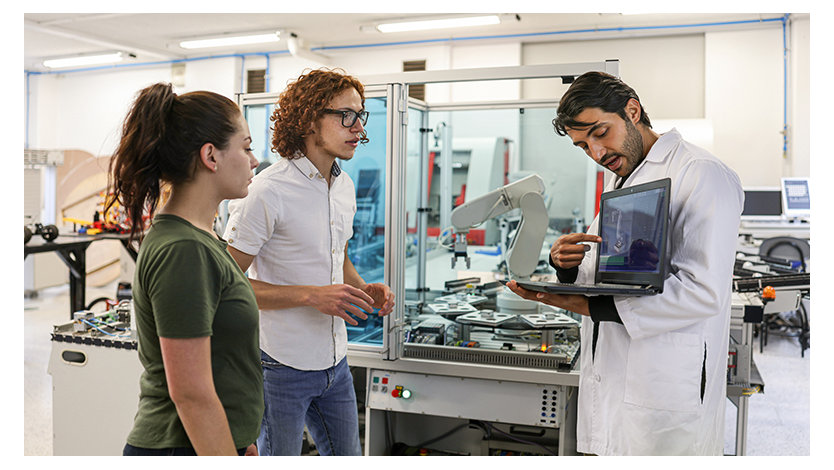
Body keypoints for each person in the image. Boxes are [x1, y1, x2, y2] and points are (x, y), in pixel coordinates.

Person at [507, 71, 743, 455]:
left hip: (666, 392)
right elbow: (606, 272)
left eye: (600, 133)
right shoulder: (625, 180)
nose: (597, 154)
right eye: (583, 146)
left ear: (632, 111)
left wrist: (593, 306)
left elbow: (703, 293)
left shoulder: (700, 173)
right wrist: (567, 267)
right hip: (618, 382)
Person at [224, 68, 395, 456]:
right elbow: (226, 286)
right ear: (309, 120)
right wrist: (310, 296)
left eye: (361, 116)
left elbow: (339, 256)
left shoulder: (345, 186)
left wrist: (363, 287)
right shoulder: (266, 191)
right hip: (280, 365)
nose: (358, 128)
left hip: (335, 363)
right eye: (346, 116)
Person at [107, 83, 262, 456]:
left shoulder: (201, 238)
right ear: (211, 156)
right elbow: (191, 394)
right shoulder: (183, 250)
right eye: (245, 147)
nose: (254, 159)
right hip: (180, 447)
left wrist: (240, 440)